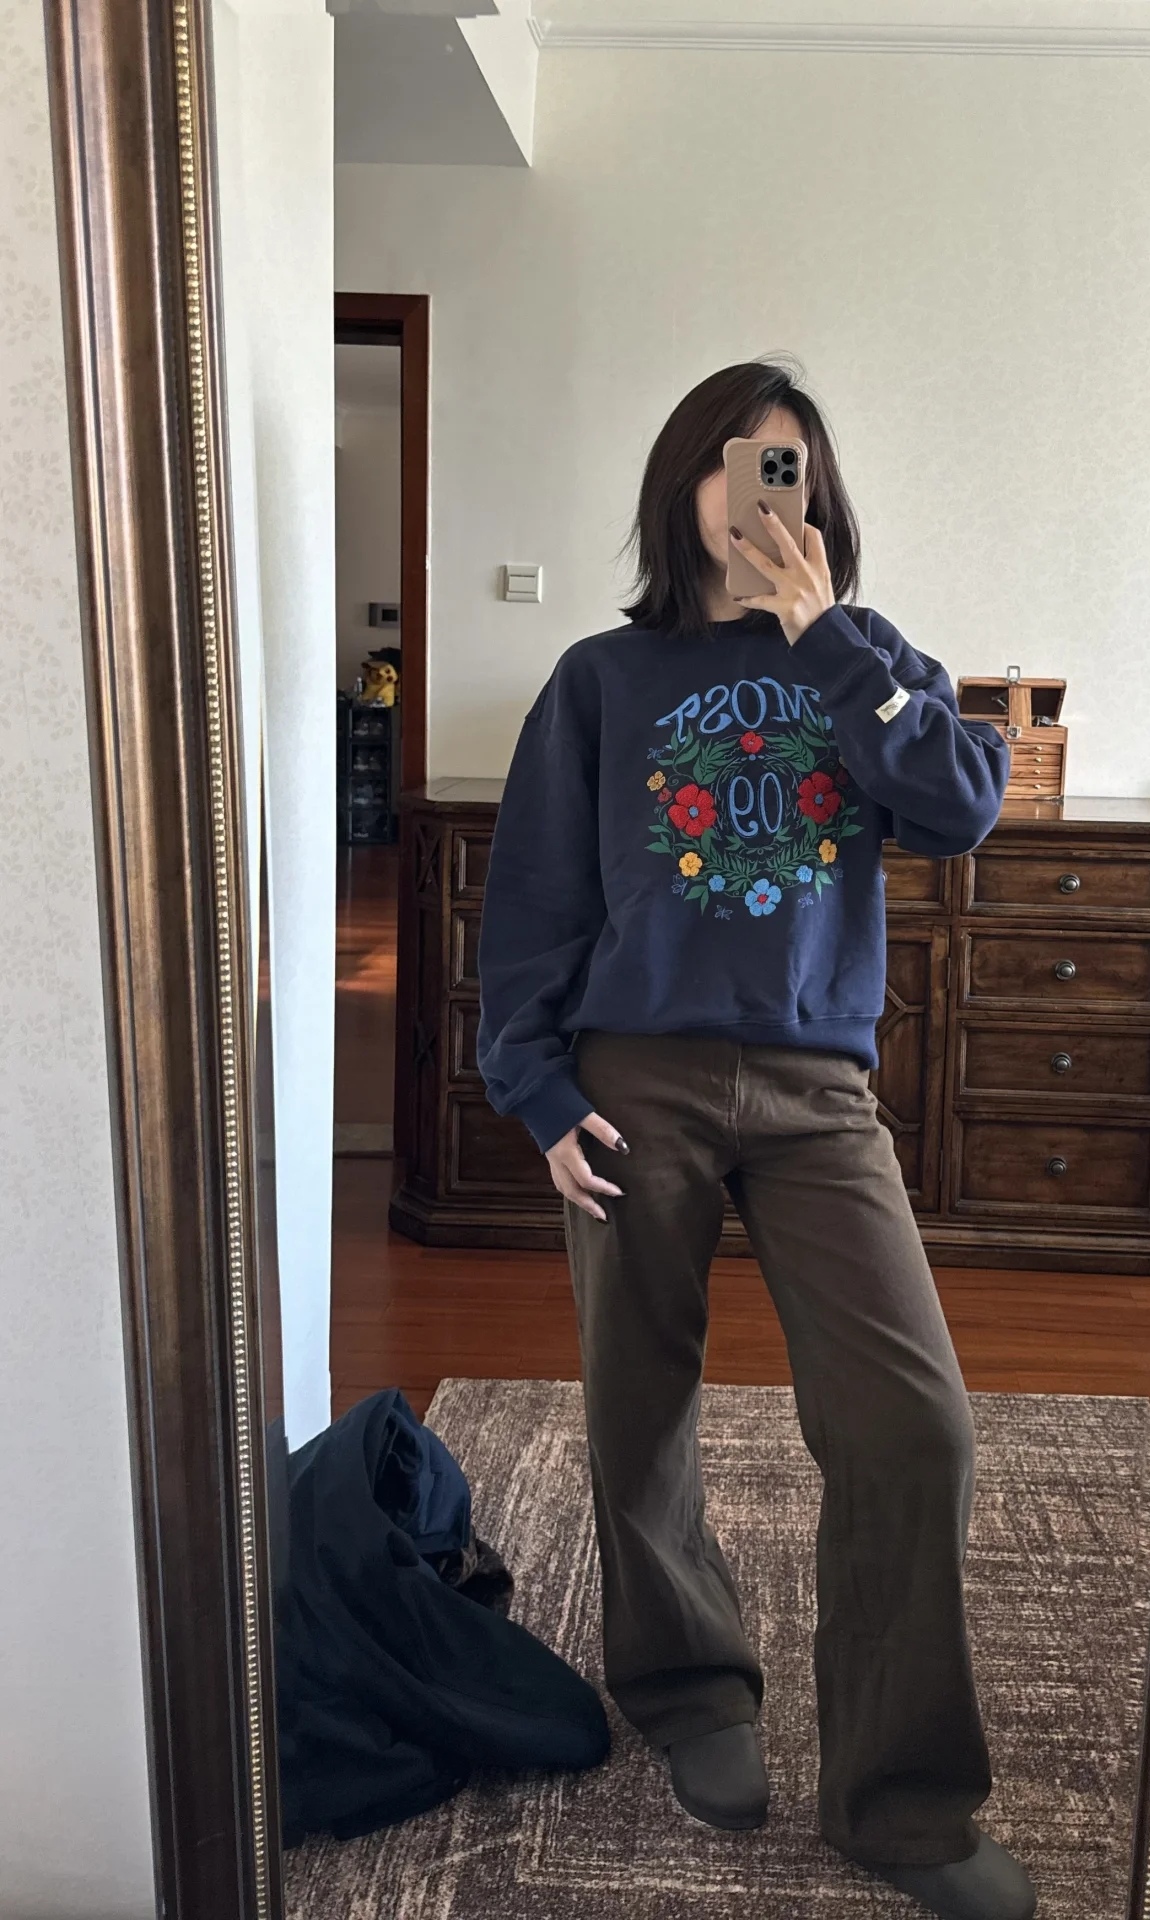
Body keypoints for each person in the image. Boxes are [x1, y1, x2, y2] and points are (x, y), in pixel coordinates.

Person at [474, 359, 1035, 1920]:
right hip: (630, 1080)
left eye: (789, 466)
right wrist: (533, 1091)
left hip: (815, 1091)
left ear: (819, 496)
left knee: (913, 1425)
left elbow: (961, 807)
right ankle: (688, 1689)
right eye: (737, 462)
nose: (761, 492)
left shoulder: (866, 659)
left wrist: (829, 639)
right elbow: (531, 902)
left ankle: (900, 1804)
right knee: (638, 1398)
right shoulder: (599, 679)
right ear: (684, 485)